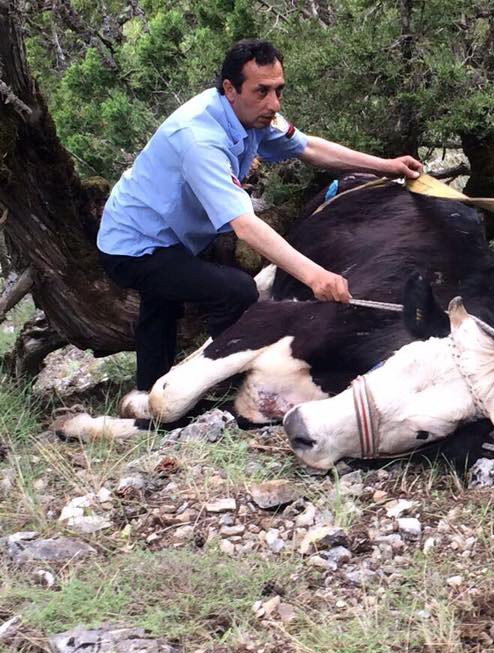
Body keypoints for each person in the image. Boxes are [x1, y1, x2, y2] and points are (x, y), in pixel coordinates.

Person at [97, 39, 422, 392]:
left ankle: (149, 393)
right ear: (229, 89)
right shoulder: (198, 139)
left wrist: (386, 166)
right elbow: (244, 226)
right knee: (235, 291)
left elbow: (309, 147)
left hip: (172, 234)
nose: (274, 103)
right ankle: (220, 383)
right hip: (133, 245)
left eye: (278, 90)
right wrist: (315, 277)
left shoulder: (255, 117)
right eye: (262, 91)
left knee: (161, 308)